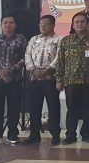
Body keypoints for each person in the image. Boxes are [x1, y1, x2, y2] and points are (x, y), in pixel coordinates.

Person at [56, 12, 89, 144]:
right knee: (72, 109)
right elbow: (60, 61)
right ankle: (70, 134)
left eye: (82, 21)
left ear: (87, 24)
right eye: (77, 22)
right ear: (73, 25)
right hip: (71, 80)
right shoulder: (66, 41)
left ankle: (86, 133)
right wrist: (59, 79)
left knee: (88, 108)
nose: (79, 24)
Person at [0, 14, 27, 147]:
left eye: (11, 23)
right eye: (5, 23)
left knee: (14, 107)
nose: (8, 25)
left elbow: (25, 58)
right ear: (1, 25)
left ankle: (12, 134)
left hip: (15, 79)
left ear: (15, 25)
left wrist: (10, 71)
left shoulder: (21, 40)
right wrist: (1, 72)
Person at [22, 15, 62, 145]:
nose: (42, 26)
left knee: (53, 107)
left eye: (46, 24)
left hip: (50, 77)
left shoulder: (59, 39)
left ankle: (55, 134)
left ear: (53, 25)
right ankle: (34, 134)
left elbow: (59, 57)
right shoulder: (34, 39)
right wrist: (33, 69)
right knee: (34, 107)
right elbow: (27, 55)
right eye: (41, 24)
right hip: (34, 77)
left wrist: (47, 70)